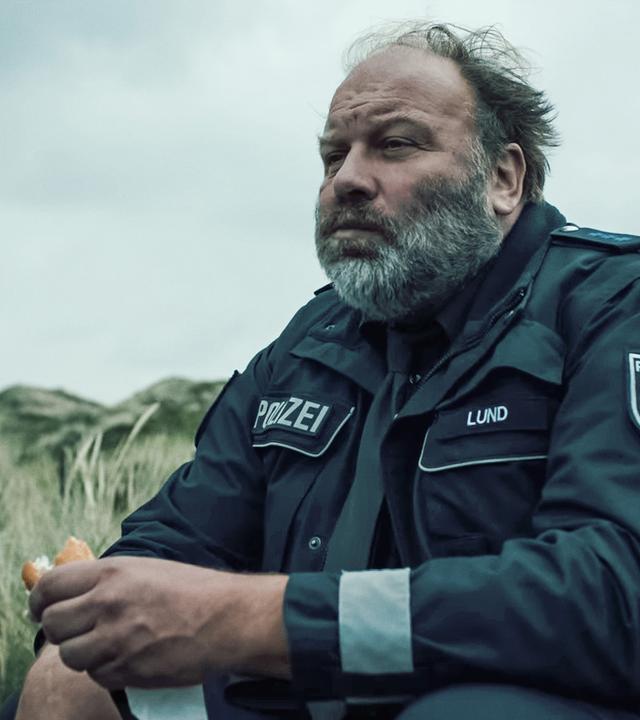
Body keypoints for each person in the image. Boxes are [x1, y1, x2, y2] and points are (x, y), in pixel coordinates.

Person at [9, 21, 640, 720]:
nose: (348, 180)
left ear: (502, 178)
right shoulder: (310, 342)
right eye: (334, 155)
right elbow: (179, 537)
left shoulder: (613, 305)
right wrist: (76, 640)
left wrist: (254, 620)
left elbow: (613, 594)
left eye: (395, 145)